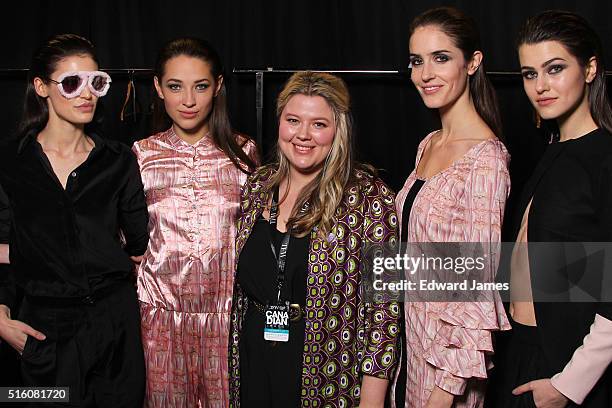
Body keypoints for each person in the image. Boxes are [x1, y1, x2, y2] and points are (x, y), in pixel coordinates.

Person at [228, 71, 399, 407]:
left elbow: (384, 311)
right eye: (293, 120)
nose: (303, 135)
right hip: (254, 358)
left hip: (327, 369)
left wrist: (373, 400)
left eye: (319, 124)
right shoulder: (258, 186)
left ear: (338, 131)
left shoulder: (369, 198)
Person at [0, 34, 149, 407]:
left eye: (95, 82)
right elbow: (4, 245)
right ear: (41, 88)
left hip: (114, 325)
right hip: (44, 328)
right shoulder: (11, 162)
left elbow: (137, 244)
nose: (87, 94)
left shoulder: (119, 160)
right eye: (71, 83)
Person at [489, 11, 612, 408]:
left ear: (590, 68)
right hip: (520, 353)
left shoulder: (605, 158)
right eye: (529, 74)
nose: (540, 86)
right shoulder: (552, 152)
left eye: (554, 69)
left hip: (567, 368)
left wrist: (568, 384)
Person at [393, 7, 511, 408]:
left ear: (473, 62)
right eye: (416, 61)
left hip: (446, 378)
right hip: (407, 354)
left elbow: (477, 291)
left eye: (441, 58)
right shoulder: (430, 143)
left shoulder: (486, 161)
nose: (425, 73)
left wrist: (442, 396)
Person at [132, 37, 258, 408]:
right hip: (159, 320)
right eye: (175, 86)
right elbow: (122, 234)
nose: (188, 100)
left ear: (218, 86)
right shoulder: (142, 154)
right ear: (158, 88)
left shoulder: (244, 152)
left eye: (200, 86)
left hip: (227, 317)